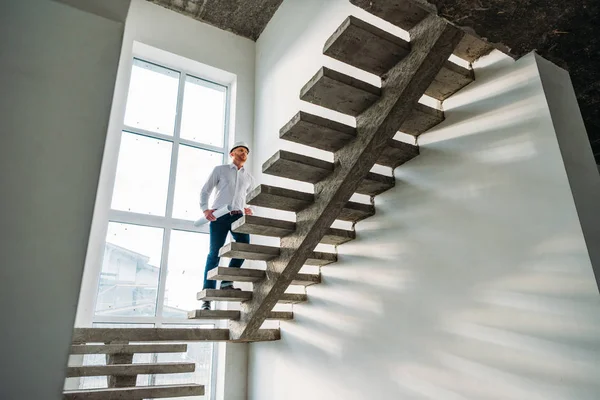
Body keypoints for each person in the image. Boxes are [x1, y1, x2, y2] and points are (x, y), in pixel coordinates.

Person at [199, 141, 254, 310]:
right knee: (214, 253)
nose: (243, 153)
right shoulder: (220, 170)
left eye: (245, 151)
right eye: (240, 150)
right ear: (232, 154)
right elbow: (205, 190)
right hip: (219, 215)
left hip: (238, 216)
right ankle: (207, 297)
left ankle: (226, 282)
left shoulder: (249, 178)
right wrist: (205, 209)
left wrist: (247, 208)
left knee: (244, 248)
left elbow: (245, 198)